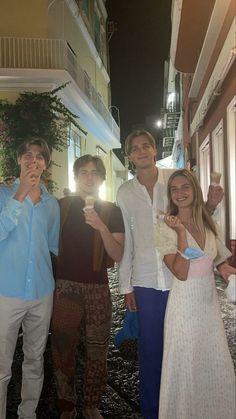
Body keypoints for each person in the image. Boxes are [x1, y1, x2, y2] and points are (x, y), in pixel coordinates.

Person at [116, 130, 227, 419]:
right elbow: (128, 238)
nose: (141, 151)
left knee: (186, 349)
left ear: (154, 150)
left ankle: (187, 408)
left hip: (183, 280)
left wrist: (212, 205)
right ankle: (154, 412)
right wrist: (126, 286)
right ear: (129, 156)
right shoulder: (124, 192)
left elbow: (196, 218)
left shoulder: (174, 180)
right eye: (135, 148)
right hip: (147, 280)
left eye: (146, 146)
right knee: (151, 351)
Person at [155, 169, 236, 419]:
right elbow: (180, 272)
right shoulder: (164, 227)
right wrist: (181, 234)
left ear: (195, 189)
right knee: (187, 369)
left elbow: (217, 258)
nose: (180, 193)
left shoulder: (209, 223)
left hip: (208, 307)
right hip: (184, 309)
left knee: (213, 364)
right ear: (170, 195)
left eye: (185, 187)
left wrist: (226, 271)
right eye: (174, 189)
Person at [51, 154, 125, 419]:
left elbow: (117, 254)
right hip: (65, 286)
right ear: (75, 176)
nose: (89, 177)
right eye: (83, 172)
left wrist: (101, 226)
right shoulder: (60, 206)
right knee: (63, 347)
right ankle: (67, 404)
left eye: (94, 172)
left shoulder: (112, 211)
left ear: (102, 178)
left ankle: (92, 404)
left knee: (97, 350)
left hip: (97, 288)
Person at [0, 137, 60, 419]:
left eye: (38, 155)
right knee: (1, 366)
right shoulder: (2, 193)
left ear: (45, 164)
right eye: (26, 154)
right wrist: (20, 192)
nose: (32, 159)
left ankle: (28, 414)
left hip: (41, 292)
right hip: (6, 292)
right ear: (18, 161)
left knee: (35, 360)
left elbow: (53, 246)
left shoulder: (52, 205)